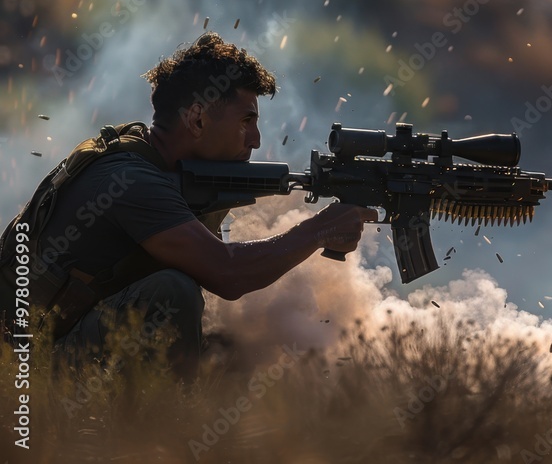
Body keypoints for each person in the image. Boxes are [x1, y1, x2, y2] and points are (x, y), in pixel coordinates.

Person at [7, 32, 375, 380]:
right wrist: (318, 230)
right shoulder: (130, 180)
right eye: (247, 120)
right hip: (25, 368)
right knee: (174, 292)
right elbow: (227, 274)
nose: (257, 139)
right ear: (197, 118)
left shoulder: (149, 160)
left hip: (53, 345)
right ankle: (164, 436)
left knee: (238, 344)